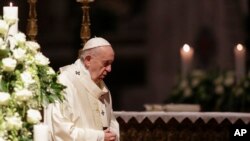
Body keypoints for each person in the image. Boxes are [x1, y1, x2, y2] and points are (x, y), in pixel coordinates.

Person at [45, 37, 120, 141]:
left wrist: (112, 135)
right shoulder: (64, 83)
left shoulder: (101, 86)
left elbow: (112, 123)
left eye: (111, 63)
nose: (109, 69)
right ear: (88, 60)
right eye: (106, 63)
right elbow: (61, 131)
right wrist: (99, 137)